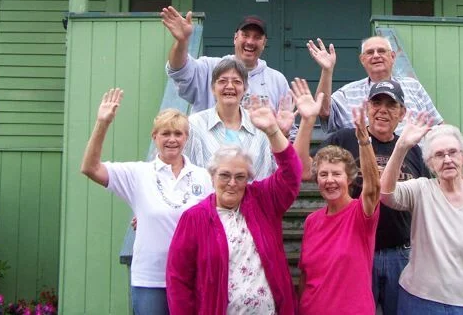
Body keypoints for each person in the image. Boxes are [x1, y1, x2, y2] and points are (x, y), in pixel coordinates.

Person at [165, 98, 307, 315]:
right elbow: (179, 279)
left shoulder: (262, 201)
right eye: (225, 175)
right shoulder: (194, 218)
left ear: (248, 179)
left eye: (240, 177)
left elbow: (292, 174)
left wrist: (272, 131)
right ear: (212, 176)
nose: (232, 183)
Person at [80, 88, 212, 315]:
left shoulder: (205, 177)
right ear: (155, 137)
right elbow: (90, 168)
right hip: (150, 281)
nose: (172, 139)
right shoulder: (137, 174)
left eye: (178, 134)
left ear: (186, 138)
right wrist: (102, 123)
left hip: (193, 278)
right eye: (165, 133)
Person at [321, 79, 429, 315]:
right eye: (376, 102)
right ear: (367, 107)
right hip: (354, 251)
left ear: (402, 114)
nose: (382, 109)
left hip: (400, 254)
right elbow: (312, 170)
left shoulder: (413, 149)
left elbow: (427, 199)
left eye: (391, 105)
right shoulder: (343, 139)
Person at [379, 117, 463, 314]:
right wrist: (402, 146)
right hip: (419, 301)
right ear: (430, 164)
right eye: (439, 155)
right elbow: (385, 194)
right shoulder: (421, 190)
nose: (447, 159)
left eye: (453, 152)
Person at [295, 84, 381, 315]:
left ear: (350, 178)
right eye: (323, 174)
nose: (329, 180)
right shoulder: (312, 221)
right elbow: (305, 275)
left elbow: (373, 188)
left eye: (336, 174)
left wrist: (364, 141)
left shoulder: (360, 214)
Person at [162, 7, 290, 113]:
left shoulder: (277, 80)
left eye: (257, 37)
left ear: (264, 43)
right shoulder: (209, 68)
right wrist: (182, 41)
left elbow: (288, 129)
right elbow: (178, 70)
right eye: (245, 35)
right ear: (235, 38)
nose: (250, 42)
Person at [308, 35, 443, 132]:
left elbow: (438, 125)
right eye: (370, 52)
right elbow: (323, 110)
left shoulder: (413, 86)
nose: (376, 55)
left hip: (412, 166)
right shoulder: (347, 93)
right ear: (362, 60)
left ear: (393, 57)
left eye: (382, 51)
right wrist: (327, 70)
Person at [186, 58, 293, 180]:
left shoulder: (262, 125)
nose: (230, 86)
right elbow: (184, 171)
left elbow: (280, 172)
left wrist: (282, 134)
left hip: (255, 198)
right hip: (209, 198)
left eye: (237, 82)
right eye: (222, 81)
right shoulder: (194, 124)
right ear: (213, 88)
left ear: (245, 88)